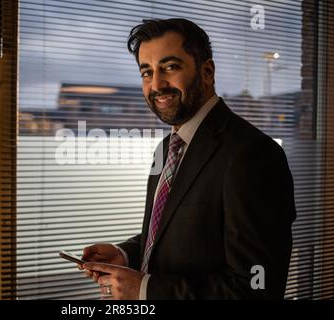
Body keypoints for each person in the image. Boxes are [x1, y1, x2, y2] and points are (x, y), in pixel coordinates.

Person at [80, 18, 296, 300]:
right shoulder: (166, 147)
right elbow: (175, 233)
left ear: (207, 72)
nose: (156, 84)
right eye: (147, 72)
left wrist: (145, 290)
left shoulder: (253, 155)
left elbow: (257, 288)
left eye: (170, 67)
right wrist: (123, 254)